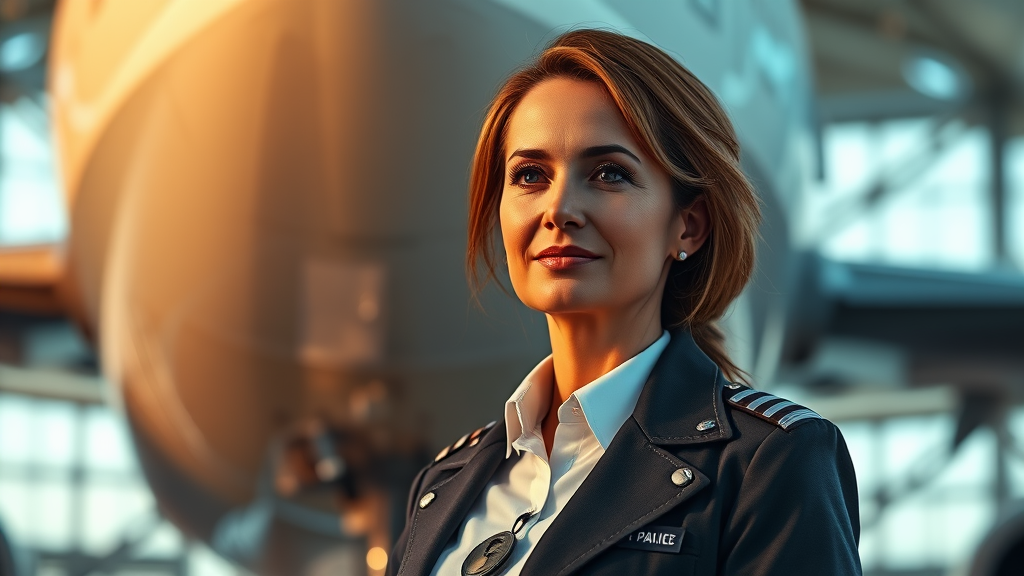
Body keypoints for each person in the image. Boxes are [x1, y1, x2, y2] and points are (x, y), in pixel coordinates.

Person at [386, 29, 861, 576]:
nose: (558, 209)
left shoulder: (769, 463)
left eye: (609, 173)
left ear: (689, 226)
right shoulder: (444, 485)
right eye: (530, 175)